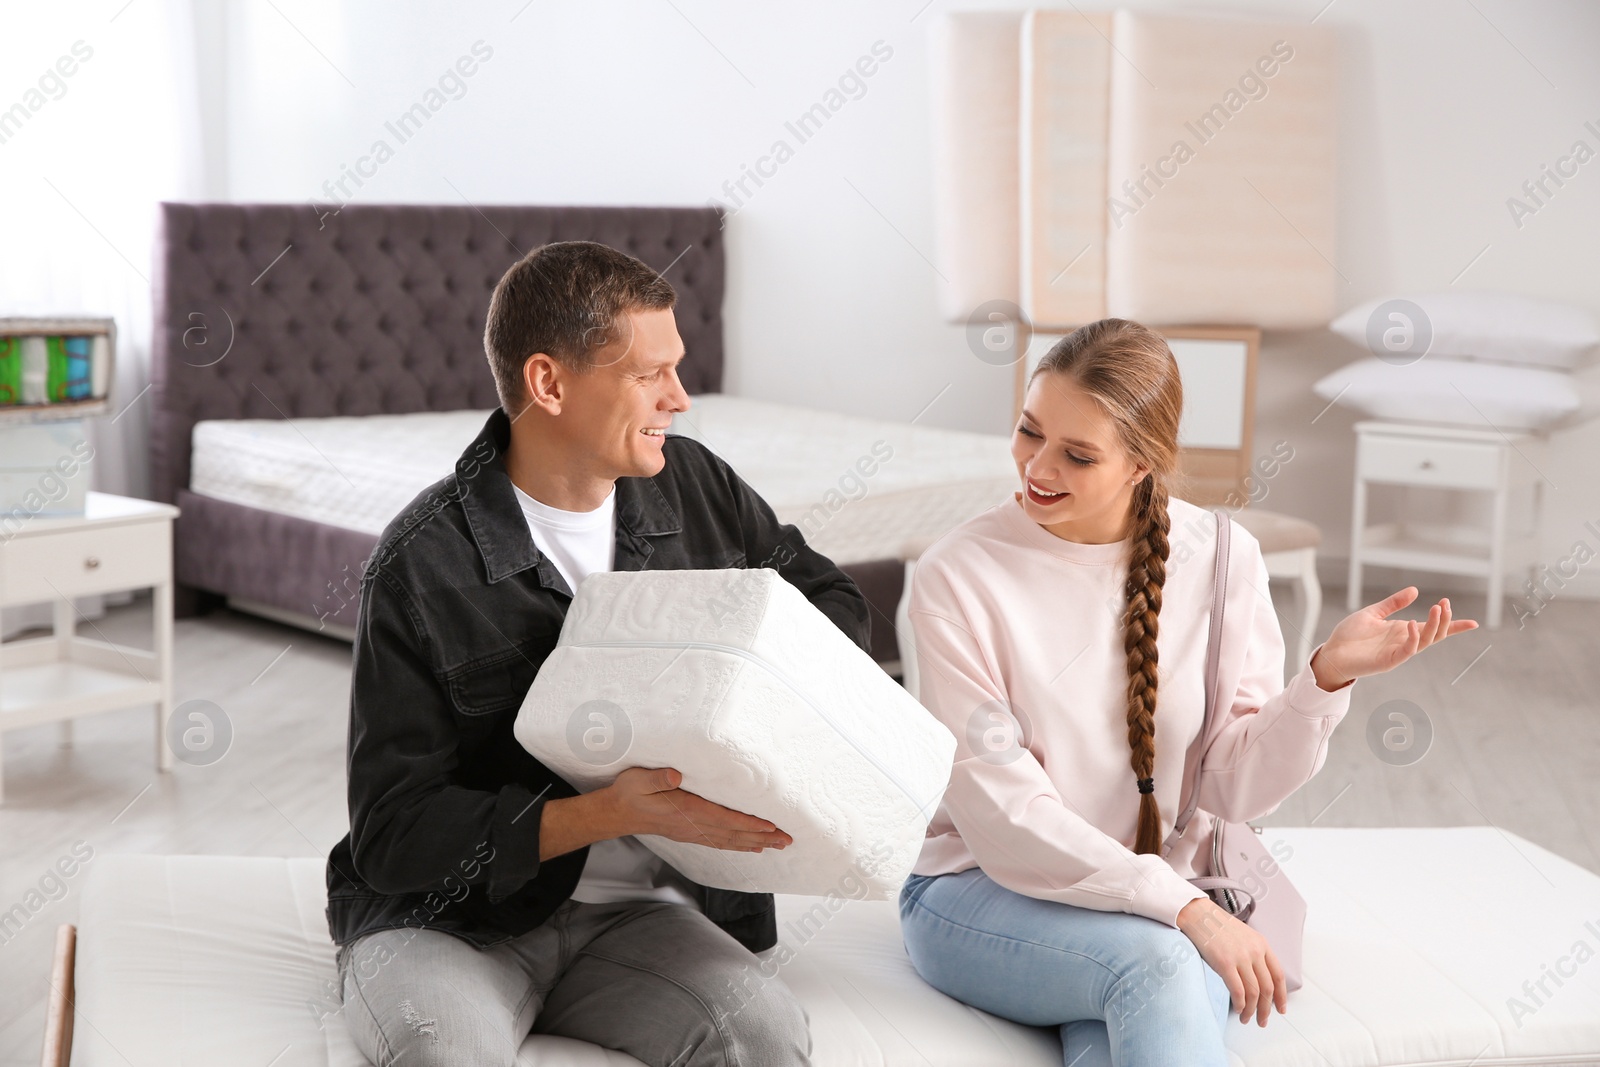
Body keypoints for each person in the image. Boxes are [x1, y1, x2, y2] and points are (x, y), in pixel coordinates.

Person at [325, 241, 868, 1066]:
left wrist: (735, 694)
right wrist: (610, 813)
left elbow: (833, 605)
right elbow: (395, 834)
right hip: (449, 921)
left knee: (762, 1038)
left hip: (638, 914)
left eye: (677, 369)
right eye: (651, 374)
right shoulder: (420, 564)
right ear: (548, 383)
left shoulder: (693, 488)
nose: (679, 399)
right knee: (447, 1053)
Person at [897, 318, 1475, 1067]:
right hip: (980, 890)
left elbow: (1233, 785)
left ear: (1143, 463)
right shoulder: (955, 577)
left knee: (1127, 1023)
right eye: (1028, 431)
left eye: (1077, 453)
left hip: (1157, 894)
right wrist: (1186, 908)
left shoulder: (1225, 558)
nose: (1037, 467)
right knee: (1160, 962)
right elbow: (1007, 815)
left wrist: (1324, 678)